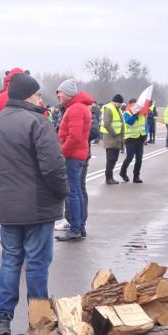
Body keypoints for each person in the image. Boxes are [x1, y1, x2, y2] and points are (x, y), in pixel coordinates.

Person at [0, 73, 68, 335]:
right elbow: (53, 168)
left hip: (7, 206)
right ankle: (39, 320)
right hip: (38, 206)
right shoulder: (38, 123)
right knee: (36, 262)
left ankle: (2, 318)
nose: (40, 98)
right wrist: (62, 192)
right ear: (28, 96)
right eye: (37, 94)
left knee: (10, 259)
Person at [54, 79, 92, 242]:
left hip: (73, 156)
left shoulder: (75, 109)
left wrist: (62, 152)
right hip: (77, 154)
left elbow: (75, 137)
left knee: (72, 192)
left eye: (60, 92)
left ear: (68, 93)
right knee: (76, 191)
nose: (58, 95)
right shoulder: (78, 107)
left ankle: (75, 227)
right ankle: (79, 226)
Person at [121, 98, 147, 183]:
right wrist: (135, 115)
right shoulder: (126, 113)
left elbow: (145, 125)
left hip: (140, 137)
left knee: (139, 158)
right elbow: (129, 122)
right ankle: (123, 172)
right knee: (130, 157)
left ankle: (136, 176)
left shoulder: (142, 113)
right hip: (130, 138)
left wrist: (145, 134)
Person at [101, 94, 125, 185]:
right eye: (119, 103)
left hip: (117, 139)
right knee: (110, 159)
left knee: (114, 159)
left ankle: (110, 177)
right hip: (111, 139)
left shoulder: (118, 110)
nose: (120, 105)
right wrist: (114, 133)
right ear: (115, 102)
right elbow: (107, 124)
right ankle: (108, 178)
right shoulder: (109, 109)